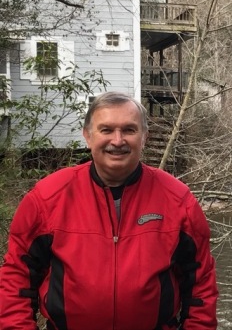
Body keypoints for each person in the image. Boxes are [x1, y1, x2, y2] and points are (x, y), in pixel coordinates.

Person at [0, 91, 218, 330]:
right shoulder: (47, 198)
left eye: (129, 130)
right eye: (106, 130)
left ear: (144, 137)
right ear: (88, 136)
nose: (117, 140)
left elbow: (201, 283)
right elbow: (16, 279)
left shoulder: (178, 200)